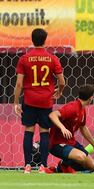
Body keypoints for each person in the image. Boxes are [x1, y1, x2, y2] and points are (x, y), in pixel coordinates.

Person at [13, 28, 66, 174]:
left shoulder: (24, 58)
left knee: (28, 131)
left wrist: (16, 102)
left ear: (32, 40)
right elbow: (62, 81)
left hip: (29, 100)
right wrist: (59, 91)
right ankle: (43, 166)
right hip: (46, 101)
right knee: (44, 132)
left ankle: (27, 166)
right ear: (45, 40)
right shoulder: (52, 58)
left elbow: (19, 84)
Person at [48, 85, 94, 173]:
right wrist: (63, 128)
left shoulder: (82, 109)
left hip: (70, 142)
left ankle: (59, 168)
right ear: (91, 97)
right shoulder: (72, 107)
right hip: (57, 143)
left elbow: (83, 128)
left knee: (92, 166)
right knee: (81, 157)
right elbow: (52, 115)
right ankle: (64, 164)